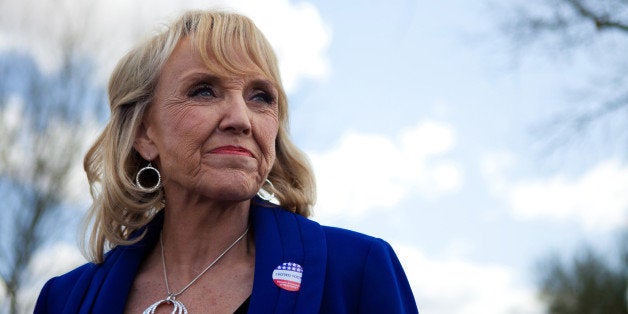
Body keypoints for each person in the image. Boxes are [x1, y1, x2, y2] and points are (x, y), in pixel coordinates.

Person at [34, 9, 418, 314]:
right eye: (204, 91)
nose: (240, 119)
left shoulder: (357, 272)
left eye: (261, 97)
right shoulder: (63, 300)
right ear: (144, 134)